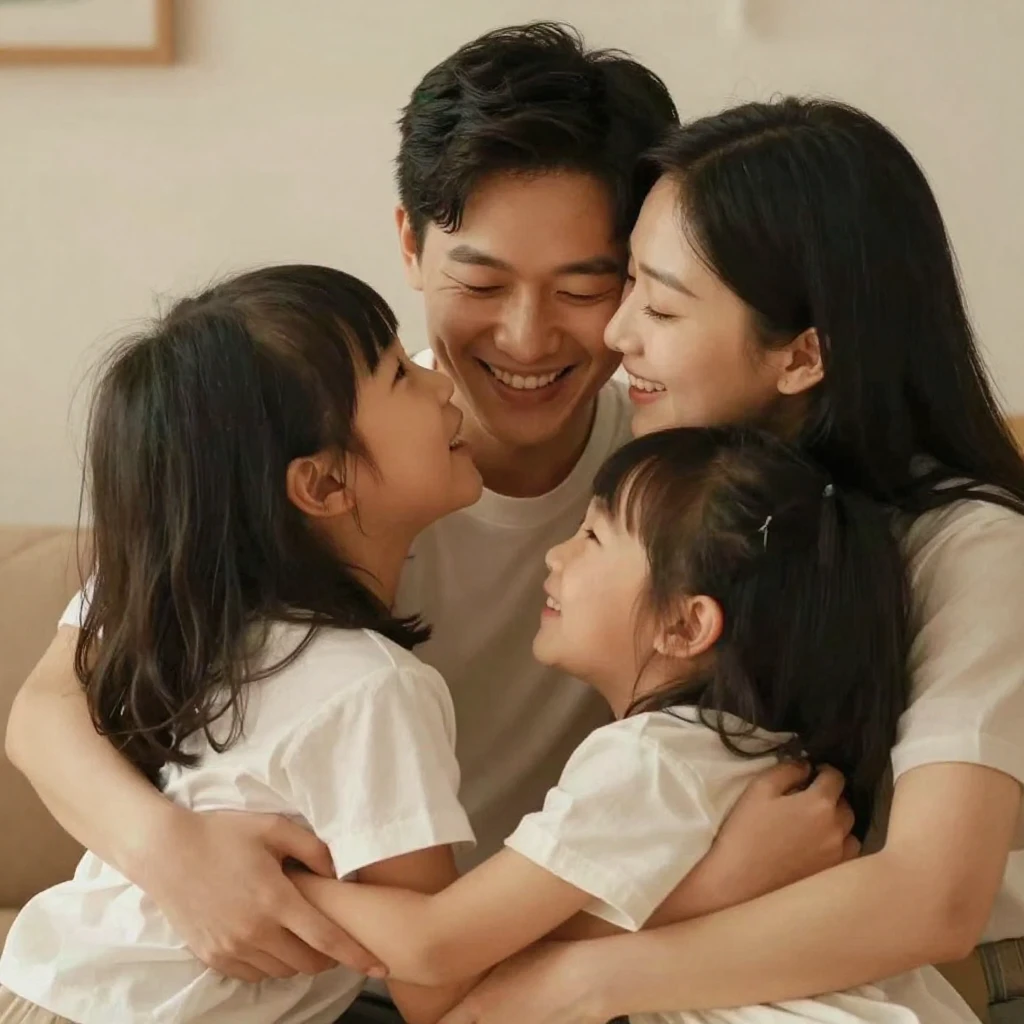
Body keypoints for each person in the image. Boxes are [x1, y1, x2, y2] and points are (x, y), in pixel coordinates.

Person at [5, 25, 858, 1024]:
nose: (527, 337)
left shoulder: (675, 492)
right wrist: (176, 858)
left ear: (638, 276)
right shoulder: (297, 448)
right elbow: (47, 706)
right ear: (410, 244)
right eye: (482, 284)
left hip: (477, 965)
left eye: (584, 287)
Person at [436, 98, 1024, 1024]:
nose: (616, 335)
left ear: (803, 356)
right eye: (627, 282)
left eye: (663, 305)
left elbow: (933, 900)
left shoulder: (969, 547)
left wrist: (578, 982)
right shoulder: (657, 455)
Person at [290, 425, 981, 1023]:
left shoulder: (651, 760)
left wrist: (288, 882)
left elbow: (436, 950)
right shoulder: (744, 758)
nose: (555, 554)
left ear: (684, 624)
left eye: (592, 535)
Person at [0, 265, 487, 1024]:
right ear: (323, 485)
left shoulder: (188, 616)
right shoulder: (373, 688)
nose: (441, 381)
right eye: (400, 374)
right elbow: (434, 985)